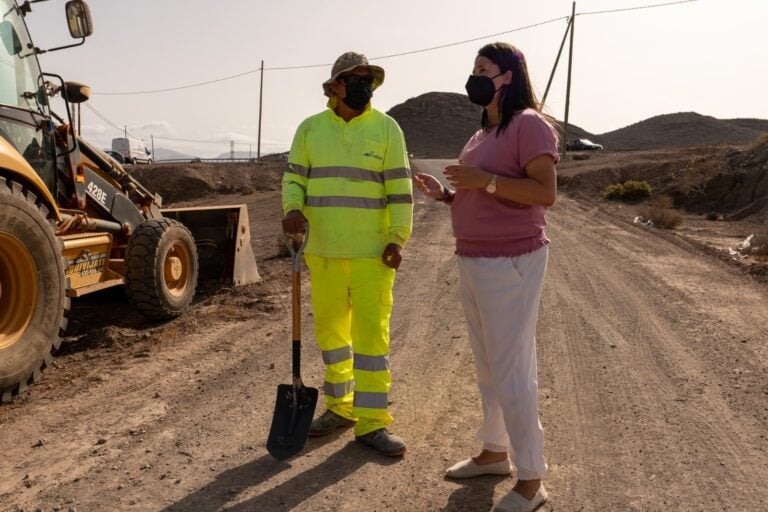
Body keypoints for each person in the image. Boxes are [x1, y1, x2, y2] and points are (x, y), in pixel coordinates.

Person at [413, 42, 558, 512]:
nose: (474, 76)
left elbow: (544, 193)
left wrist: (486, 182)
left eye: (483, 69)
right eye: (473, 68)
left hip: (511, 261)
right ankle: (495, 453)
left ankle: (532, 482)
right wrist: (448, 196)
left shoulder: (529, 125)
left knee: (513, 370)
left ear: (508, 77)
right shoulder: (481, 134)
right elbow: (477, 194)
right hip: (474, 258)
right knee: (489, 367)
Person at [281, 52, 413, 457]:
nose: (363, 85)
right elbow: (294, 178)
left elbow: (400, 189)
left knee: (371, 338)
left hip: (372, 255)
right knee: (333, 336)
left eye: (367, 79)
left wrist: (397, 238)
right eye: (354, 79)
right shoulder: (310, 129)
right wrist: (292, 209)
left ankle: (372, 422)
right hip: (322, 253)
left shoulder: (387, 129)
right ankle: (340, 407)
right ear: (335, 85)